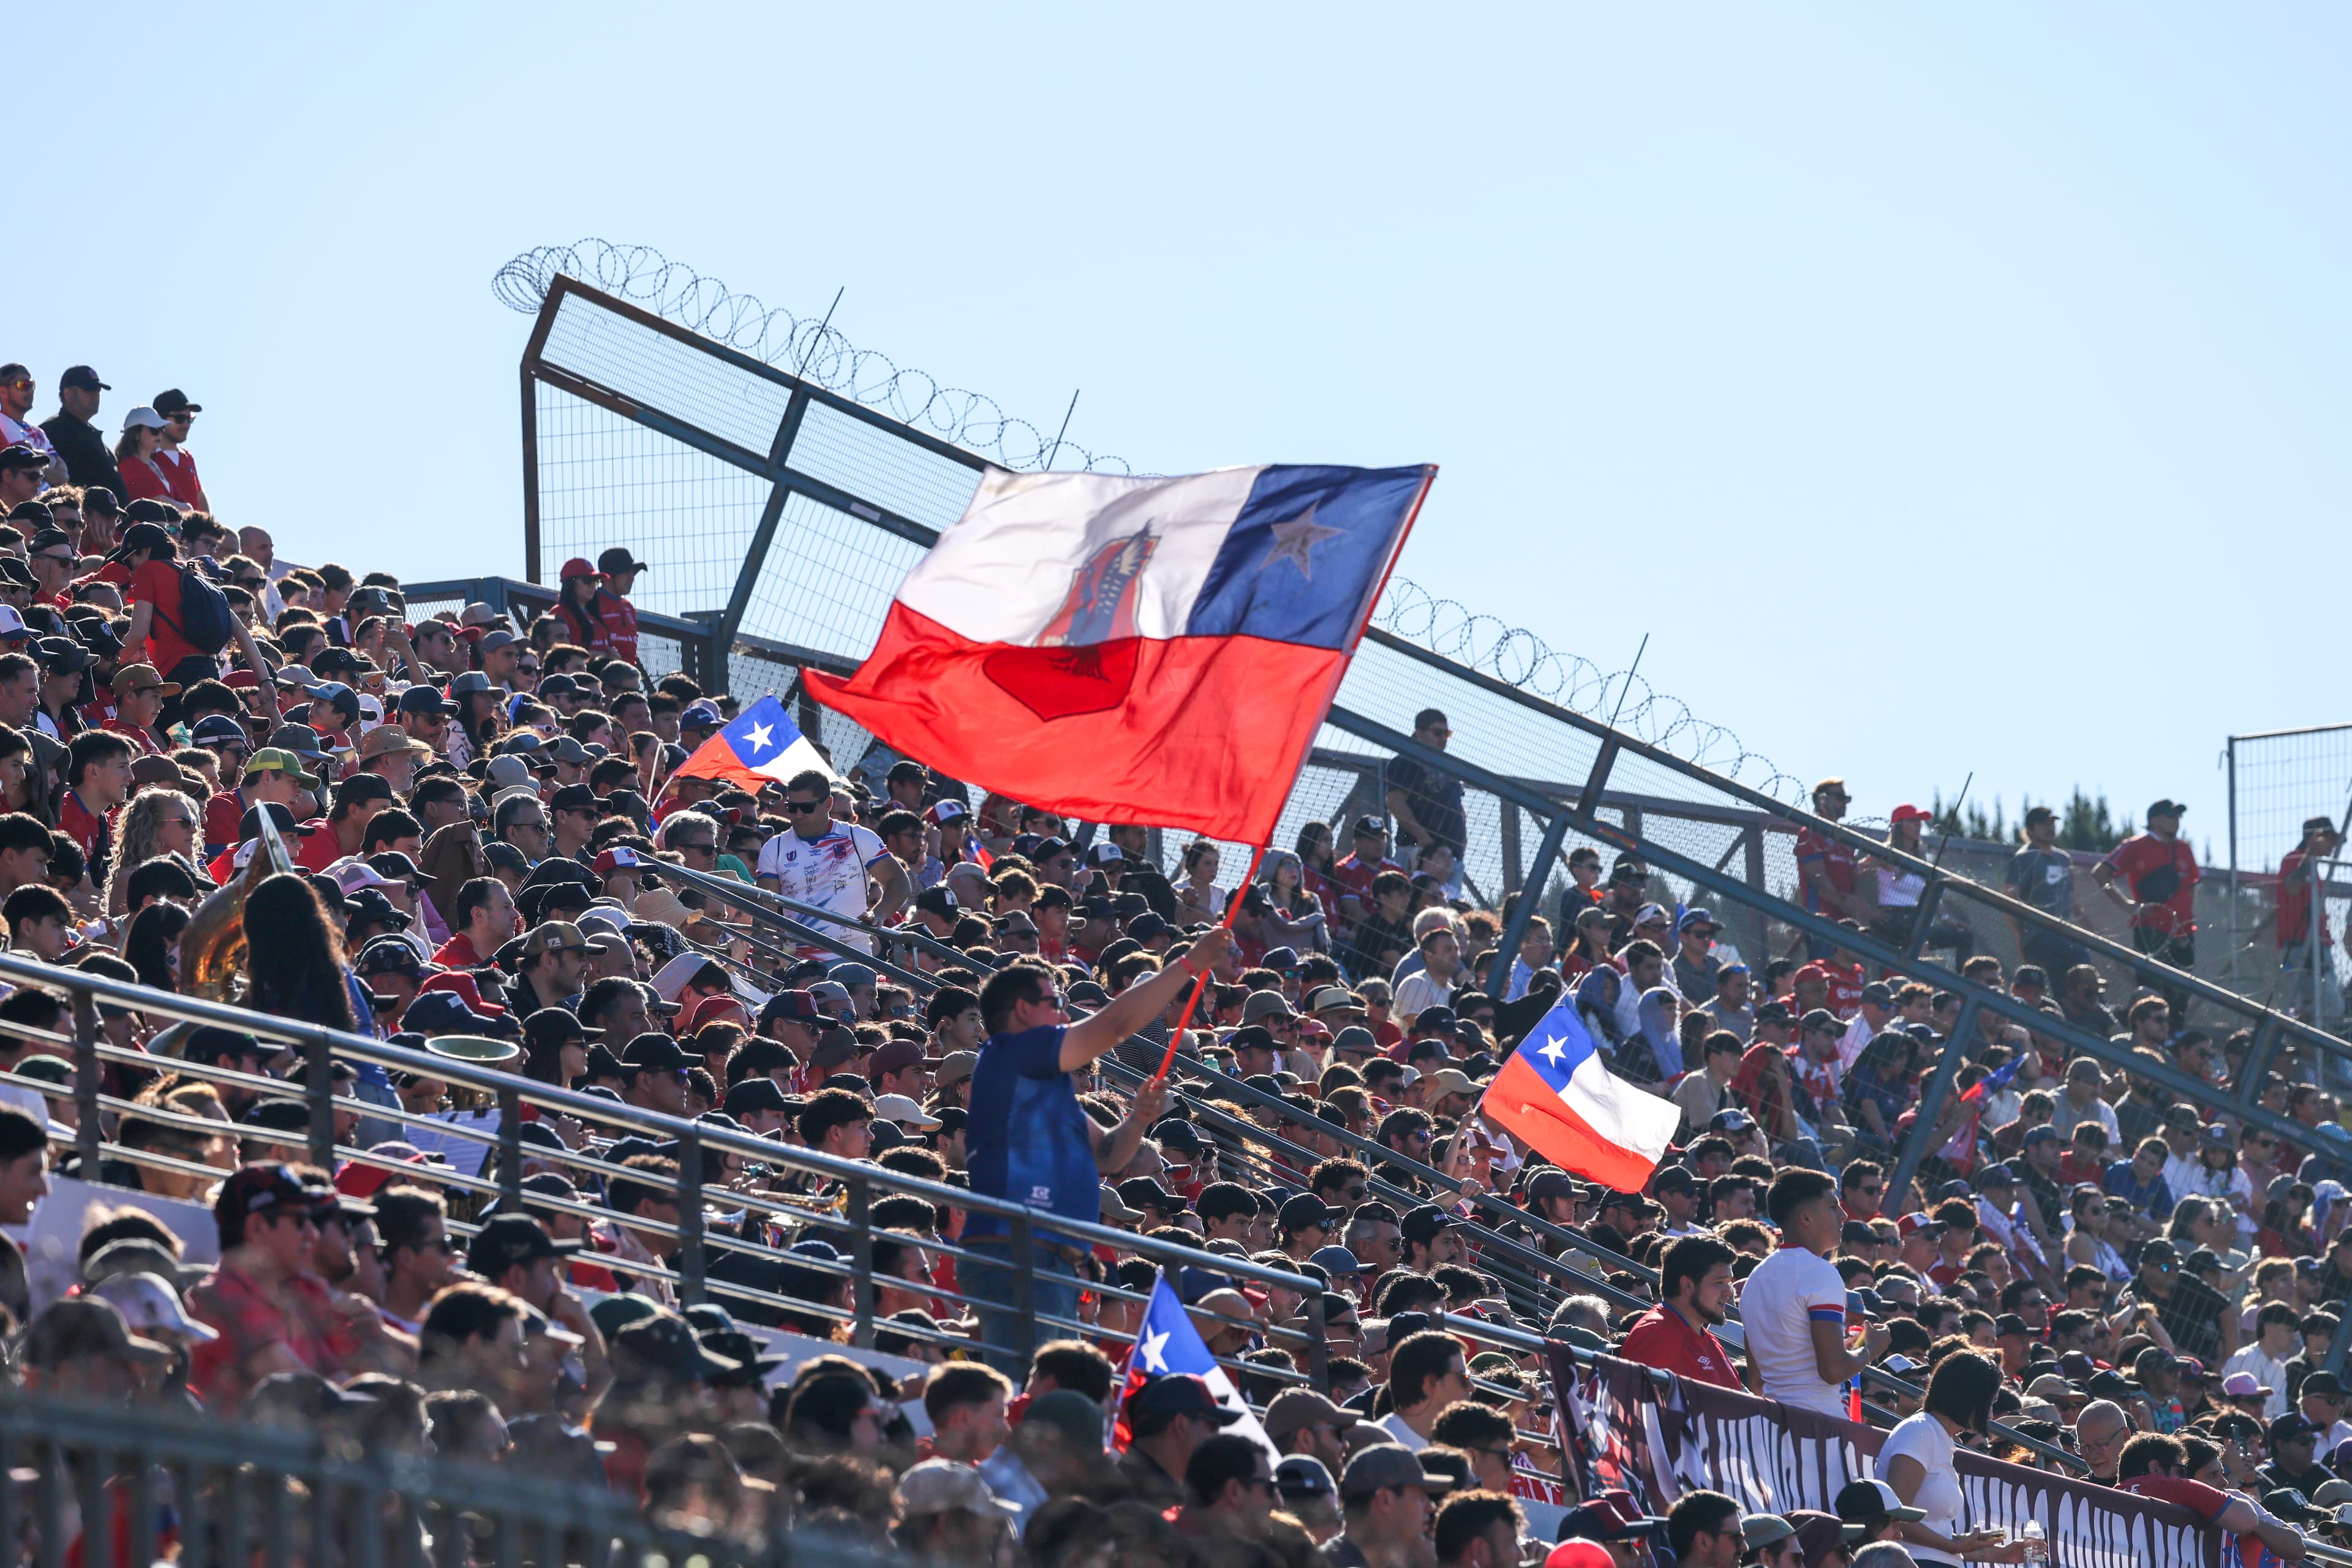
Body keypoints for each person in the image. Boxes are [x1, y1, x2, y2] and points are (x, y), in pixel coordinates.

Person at [959, 929, 1228, 1372]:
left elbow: (1109, 1156)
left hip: (1049, 1257)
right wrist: (1189, 965)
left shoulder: (1045, 1085)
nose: (1066, 1016)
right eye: (1057, 1004)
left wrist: (1139, 1118)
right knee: (1033, 1399)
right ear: (1023, 1011)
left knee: (1044, 1397)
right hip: (1018, 1250)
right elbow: (1115, 1026)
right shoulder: (1008, 1052)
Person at [1740, 1169, 1889, 1415]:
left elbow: (1757, 1382)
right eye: (1833, 1206)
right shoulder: (1820, 1272)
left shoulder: (1756, 1277)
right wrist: (1873, 1348)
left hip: (1770, 1425)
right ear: (1806, 1218)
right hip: (1817, 1426)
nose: (1843, 1216)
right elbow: (1833, 1371)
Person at [1876, 1352, 2023, 1568]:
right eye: (1988, 1403)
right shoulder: (1918, 1431)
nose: (1990, 1415)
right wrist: (1954, 1546)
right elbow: (1896, 1516)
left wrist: (2001, 1555)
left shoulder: (1937, 1437)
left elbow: (1939, 1539)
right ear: (1967, 1396)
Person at [755, 768, 906, 955]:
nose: (798, 815)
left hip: (853, 955)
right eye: (791, 808)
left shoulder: (859, 837)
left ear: (828, 804)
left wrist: (878, 914)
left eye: (807, 808)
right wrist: (771, 948)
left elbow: (899, 882)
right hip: (801, 962)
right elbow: (765, 913)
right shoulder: (774, 848)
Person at [2093, 799, 2200, 1017]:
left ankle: (2173, 1037)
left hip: (2183, 932)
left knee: (2180, 993)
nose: (2176, 821)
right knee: (2152, 991)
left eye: (2178, 816)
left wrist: (2187, 918)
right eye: (2171, 816)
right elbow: (2100, 873)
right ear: (2154, 820)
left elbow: (2192, 885)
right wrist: (2128, 905)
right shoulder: (2135, 845)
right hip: (2151, 929)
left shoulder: (2183, 849)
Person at [1618, 1235, 1741, 1387]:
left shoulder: (1706, 1338)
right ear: (1687, 1285)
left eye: (1729, 1283)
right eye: (1720, 1282)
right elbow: (1648, 1408)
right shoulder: (1657, 1336)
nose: (1729, 1292)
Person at [1385, 709, 1465, 891]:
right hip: (1419, 851)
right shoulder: (1406, 761)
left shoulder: (1449, 766)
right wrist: (1424, 840)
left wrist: (1461, 842)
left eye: (1447, 734)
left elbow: (1458, 805)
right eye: (1438, 733)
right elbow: (1395, 802)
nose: (1443, 739)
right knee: (1413, 903)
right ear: (1419, 733)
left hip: (1452, 856)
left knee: (1448, 912)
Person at [40, 366, 123, 494]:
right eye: (89, 390)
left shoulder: (92, 435)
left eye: (98, 390)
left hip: (111, 513)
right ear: (68, 394)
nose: (96, 395)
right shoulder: (53, 431)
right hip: (79, 511)